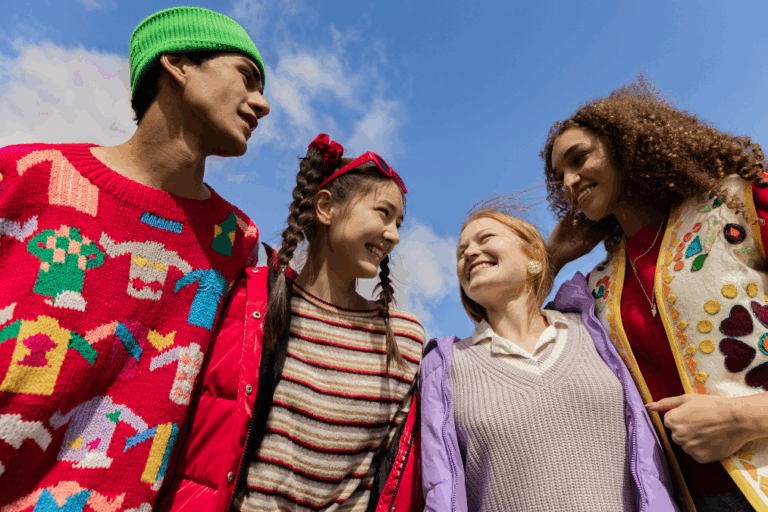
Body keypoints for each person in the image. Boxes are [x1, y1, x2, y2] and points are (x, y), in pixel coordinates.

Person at [0, 6, 269, 510]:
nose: (263, 103)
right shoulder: (25, 175)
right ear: (178, 64)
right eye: (246, 77)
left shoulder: (236, 241)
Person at [158, 134, 425, 512]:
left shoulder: (405, 339)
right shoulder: (254, 305)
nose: (394, 236)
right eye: (383, 214)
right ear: (325, 207)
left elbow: (391, 473)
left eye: (399, 222)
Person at [543, 76, 768, 512]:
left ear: (626, 145)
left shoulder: (740, 206)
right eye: (559, 176)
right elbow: (511, 337)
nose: (569, 181)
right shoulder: (593, 290)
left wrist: (745, 416)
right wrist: (551, 261)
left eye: (579, 158)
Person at [420, 202, 678, 511]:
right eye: (461, 251)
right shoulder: (444, 368)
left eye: (485, 238)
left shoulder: (595, 325)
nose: (469, 253)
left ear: (532, 257)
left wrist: (551, 255)